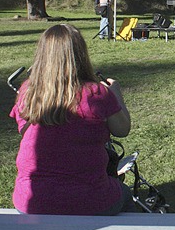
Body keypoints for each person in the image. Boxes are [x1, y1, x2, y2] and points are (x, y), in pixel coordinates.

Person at [10, 24, 135, 215]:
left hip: (31, 200)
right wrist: (116, 94)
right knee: (125, 194)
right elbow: (122, 129)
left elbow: (23, 130)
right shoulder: (96, 93)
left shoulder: (28, 91)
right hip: (89, 199)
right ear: (80, 55)